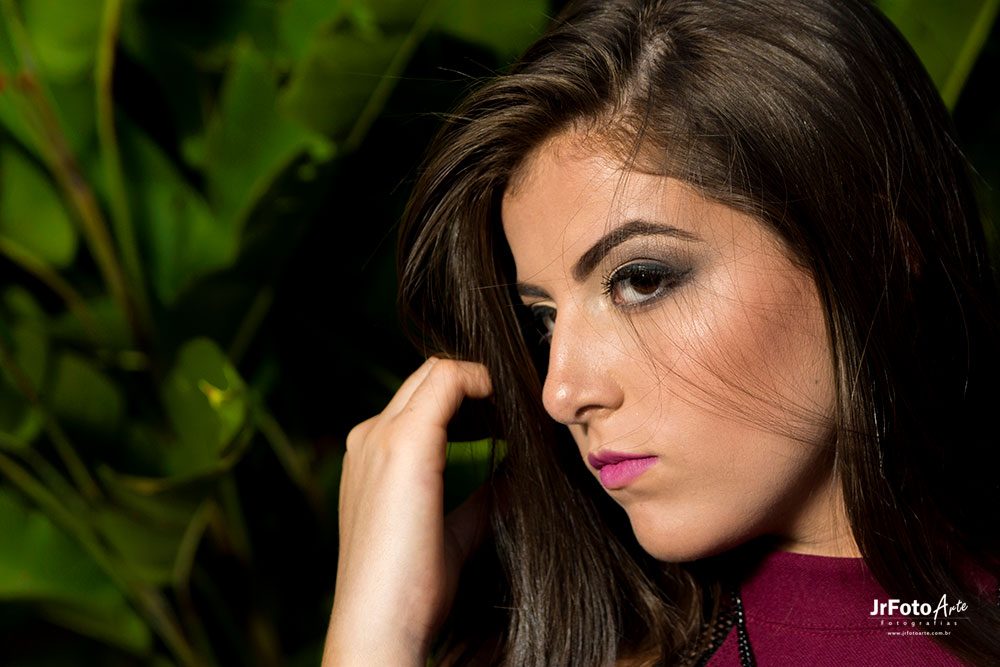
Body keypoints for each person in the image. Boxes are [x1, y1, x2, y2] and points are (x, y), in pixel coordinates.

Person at [323, 0, 1000, 664]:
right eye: (544, 318)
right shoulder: (566, 643)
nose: (560, 394)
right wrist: (377, 634)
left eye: (641, 279)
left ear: (875, 254)